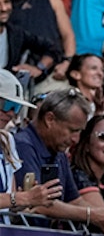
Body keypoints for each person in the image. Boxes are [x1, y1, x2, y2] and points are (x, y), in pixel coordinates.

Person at [14, 89, 104, 229]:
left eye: (79, 132)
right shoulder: (23, 146)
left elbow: (74, 200)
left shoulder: (59, 153)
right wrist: (92, 215)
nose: (76, 139)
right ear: (50, 119)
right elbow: (38, 204)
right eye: (72, 130)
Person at [1, 70, 63, 215]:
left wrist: (27, 202)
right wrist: (22, 198)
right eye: (5, 104)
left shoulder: (7, 140)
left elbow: (10, 203)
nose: (10, 113)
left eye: (16, 107)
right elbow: (15, 197)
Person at [6, 0, 76, 78]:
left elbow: (68, 35)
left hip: (48, 74)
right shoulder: (5, 2)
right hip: (12, 76)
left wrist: (67, 62)